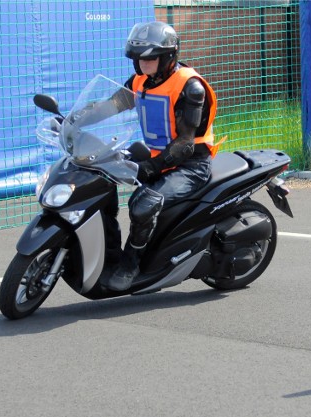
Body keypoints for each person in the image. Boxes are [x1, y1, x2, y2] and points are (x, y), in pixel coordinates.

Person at [87, 21, 218, 291]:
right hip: (158, 155)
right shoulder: (140, 81)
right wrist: (75, 119)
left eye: (149, 58)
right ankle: (108, 253)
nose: (142, 64)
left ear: (169, 57)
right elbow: (111, 105)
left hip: (191, 164)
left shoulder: (189, 86)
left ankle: (131, 263)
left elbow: (184, 144)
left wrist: (150, 167)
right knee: (99, 172)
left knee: (143, 204)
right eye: (138, 59)